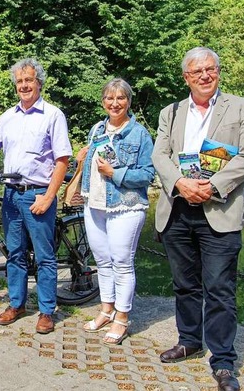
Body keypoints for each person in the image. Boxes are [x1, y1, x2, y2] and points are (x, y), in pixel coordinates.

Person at [152, 47, 244, 391]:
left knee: (220, 290)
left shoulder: (241, 107)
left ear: (218, 71)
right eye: (197, 71)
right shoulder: (171, 111)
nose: (205, 76)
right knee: (185, 284)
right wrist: (181, 183)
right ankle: (189, 340)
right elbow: (160, 154)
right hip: (178, 210)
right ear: (186, 77)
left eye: (210, 69)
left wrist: (211, 186)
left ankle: (224, 361)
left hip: (220, 210)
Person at [0, 58, 72, 334]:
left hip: (37, 194)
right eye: (20, 81)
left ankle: (47, 310)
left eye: (29, 80)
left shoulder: (53, 115)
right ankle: (16, 303)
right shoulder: (8, 116)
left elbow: (62, 159)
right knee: (15, 254)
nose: (24, 85)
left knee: (45, 257)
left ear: (39, 83)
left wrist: (48, 197)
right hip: (11, 195)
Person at [76, 78, 155, 345]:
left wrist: (115, 173)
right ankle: (106, 310)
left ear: (128, 102)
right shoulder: (97, 129)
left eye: (120, 98)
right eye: (110, 98)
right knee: (102, 261)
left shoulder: (140, 134)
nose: (115, 103)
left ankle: (122, 318)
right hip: (95, 203)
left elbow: (148, 174)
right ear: (103, 102)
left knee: (122, 261)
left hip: (126, 205)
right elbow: (89, 164)